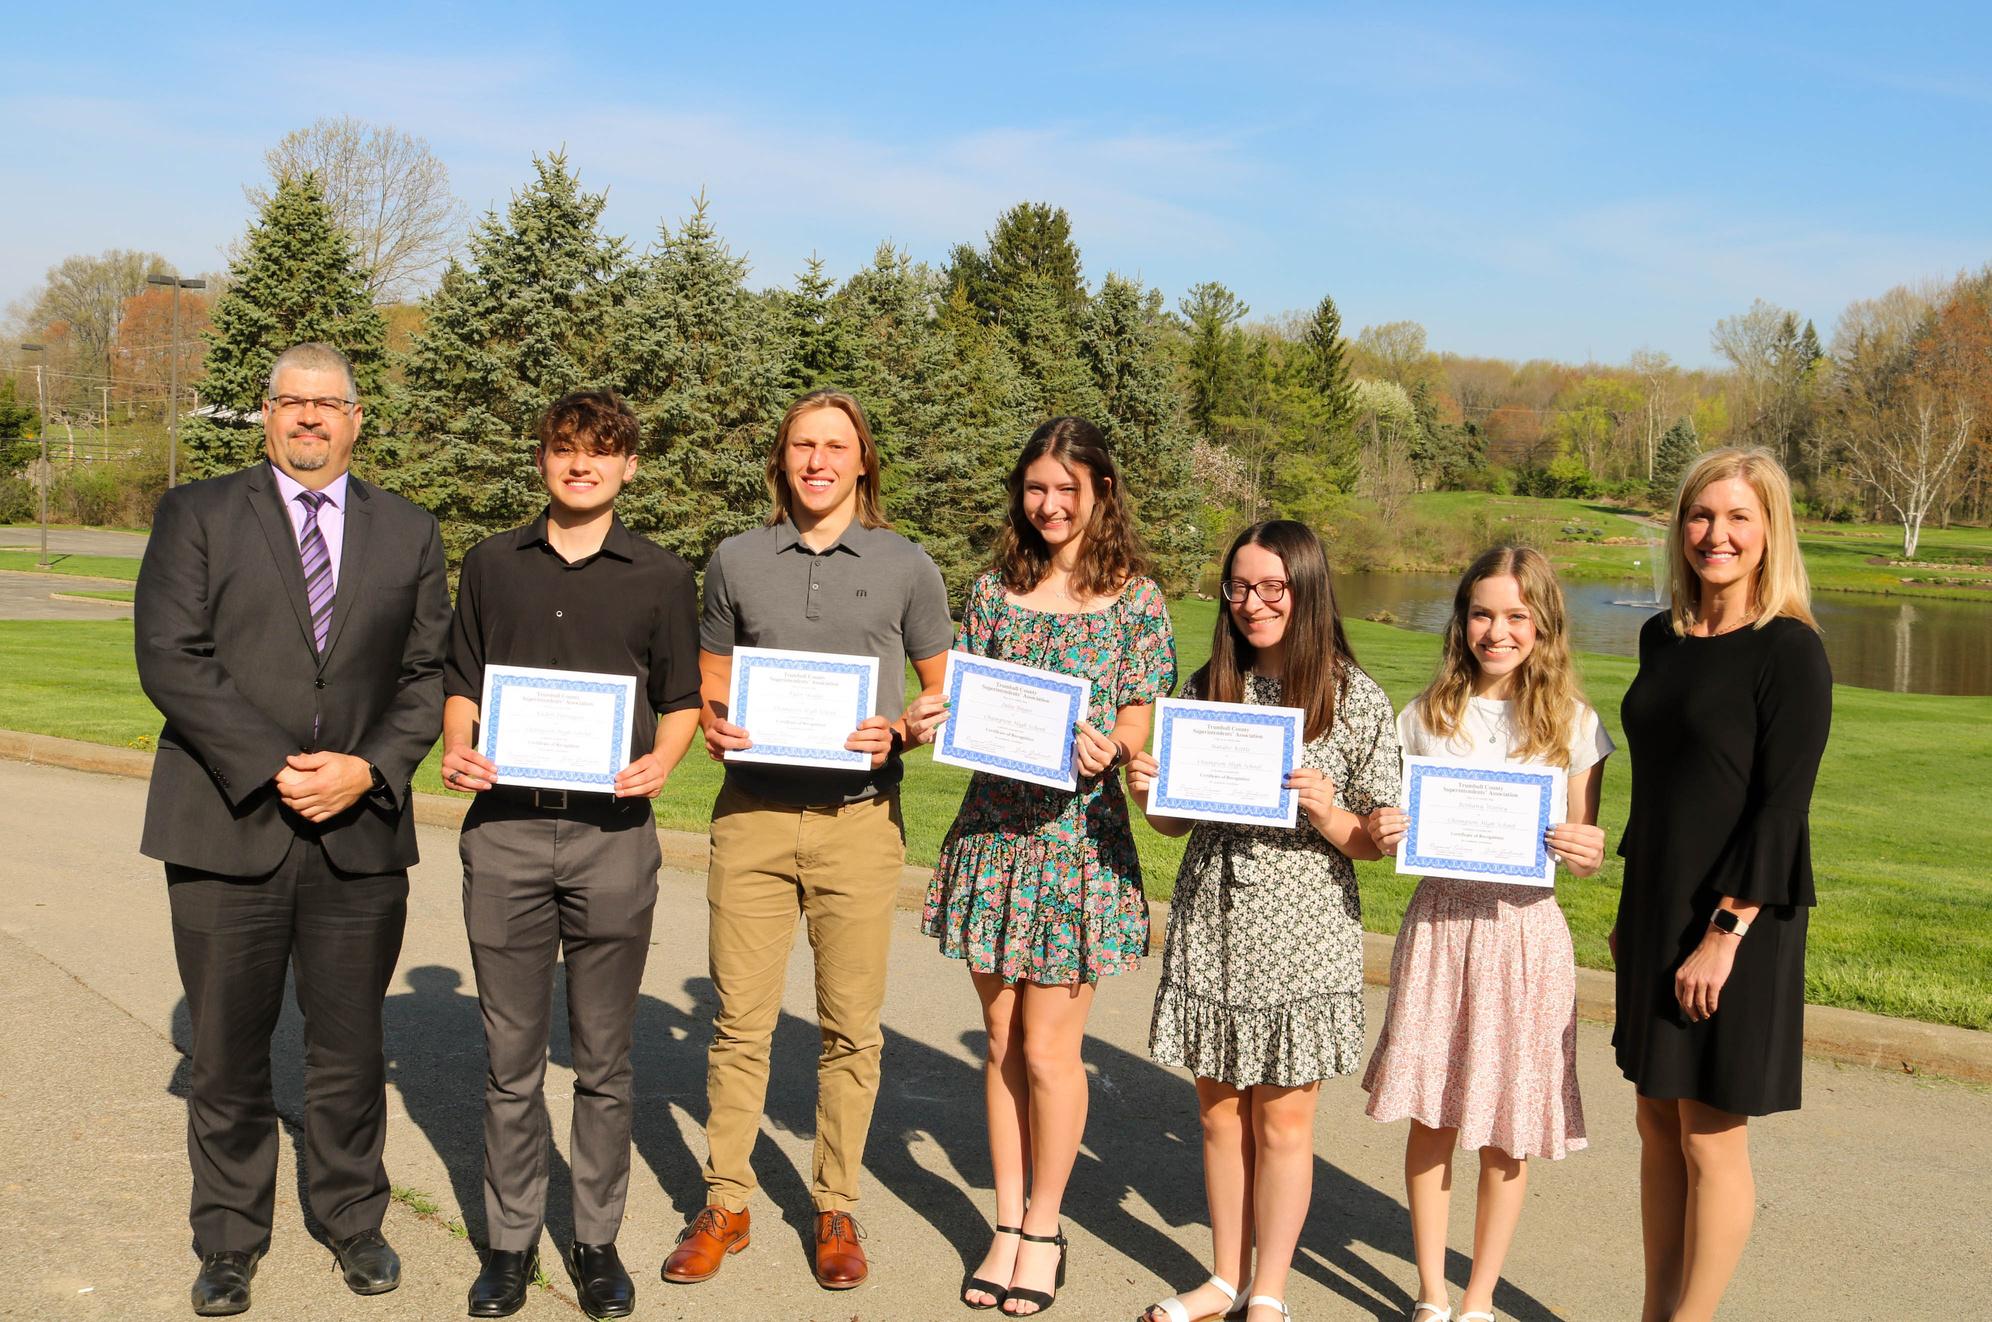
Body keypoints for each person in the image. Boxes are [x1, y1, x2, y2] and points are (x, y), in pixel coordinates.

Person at [133, 342, 449, 1317]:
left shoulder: (409, 530)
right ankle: (229, 1238)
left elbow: (427, 675)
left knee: (350, 1046)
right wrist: (275, 764)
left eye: (327, 403)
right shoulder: (197, 513)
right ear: (266, 413)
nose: (309, 417)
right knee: (227, 1052)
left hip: (359, 832)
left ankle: (353, 1217)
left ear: (357, 418)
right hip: (227, 823)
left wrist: (368, 768)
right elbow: (170, 655)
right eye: (291, 401)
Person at [662, 388, 953, 1292]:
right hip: (750, 817)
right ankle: (727, 1202)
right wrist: (716, 722)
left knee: (850, 1029)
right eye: (802, 446)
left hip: (858, 824)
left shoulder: (907, 564)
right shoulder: (737, 559)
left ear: (863, 461)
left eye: (835, 446)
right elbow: (712, 676)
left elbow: (941, 697)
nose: (817, 462)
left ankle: (835, 1204)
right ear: (782, 460)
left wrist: (900, 731)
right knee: (738, 1024)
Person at [438, 390, 701, 1319]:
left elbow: (682, 699)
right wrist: (457, 743)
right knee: (509, 1061)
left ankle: (595, 1242)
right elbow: (462, 678)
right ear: (543, 459)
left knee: (603, 1059)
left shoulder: (662, 574)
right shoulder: (491, 563)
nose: (580, 464)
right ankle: (510, 1244)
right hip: (505, 833)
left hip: (612, 839)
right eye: (564, 448)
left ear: (629, 465)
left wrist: (662, 763)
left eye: (601, 451)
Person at [909, 417, 1175, 1318]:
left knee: (1051, 1050)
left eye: (1068, 489)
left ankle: (1046, 1229)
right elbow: (968, 698)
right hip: (993, 837)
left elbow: (1139, 712)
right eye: (1036, 488)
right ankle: (1006, 1221)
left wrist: (1117, 745)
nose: (1050, 504)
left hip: (1077, 848)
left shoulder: (1137, 601)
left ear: (1102, 491)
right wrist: (934, 716)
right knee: (1000, 1042)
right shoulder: (994, 591)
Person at [1129, 520, 1398, 1322]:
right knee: (1218, 1116)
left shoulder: (1355, 698)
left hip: (1302, 927)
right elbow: (1174, 824)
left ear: (1306, 589)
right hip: (1213, 916)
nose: (1253, 603)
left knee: (1282, 1122)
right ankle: (1223, 1279)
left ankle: (1269, 1291)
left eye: (1272, 587)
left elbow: (1372, 842)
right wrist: (1148, 795)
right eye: (1240, 587)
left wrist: (1328, 810)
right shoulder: (1209, 685)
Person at [1359, 545, 1612, 1322]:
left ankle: (1479, 1297)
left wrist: (1587, 850)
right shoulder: (1422, 717)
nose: (1496, 632)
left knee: (1509, 1125)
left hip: (1524, 936)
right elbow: (1388, 827)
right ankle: (1432, 1291)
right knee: (1432, 1112)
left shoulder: (1576, 725)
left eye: (1514, 616)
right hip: (1440, 929)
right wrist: (1385, 827)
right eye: (1481, 614)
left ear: (1543, 624)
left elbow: (1584, 850)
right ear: (1461, 620)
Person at [1612, 448, 1831, 1322]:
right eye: (1702, 515)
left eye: (1739, 517)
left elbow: (1782, 808)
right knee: (1655, 1121)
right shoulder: (1659, 637)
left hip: (1737, 918)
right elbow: (1658, 785)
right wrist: (1632, 910)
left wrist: (1724, 933)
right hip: (1656, 902)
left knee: (1709, 1133)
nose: (1717, 535)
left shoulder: (1791, 651)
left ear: (1771, 530)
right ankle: (1655, 1311)